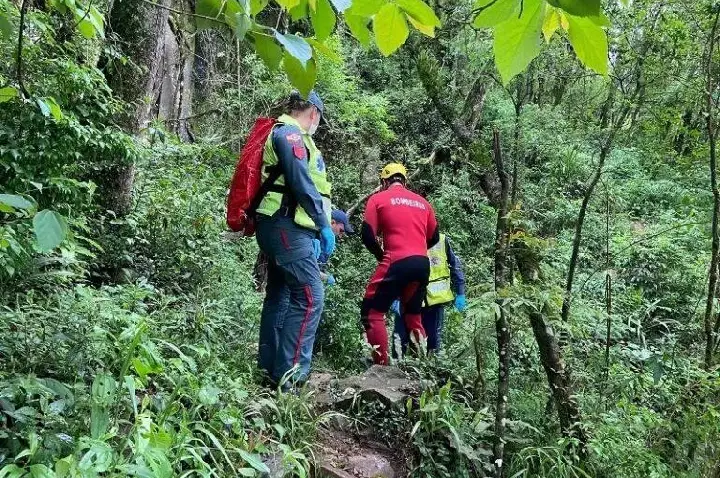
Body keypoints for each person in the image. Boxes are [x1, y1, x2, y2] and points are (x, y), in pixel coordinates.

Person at [255, 90, 335, 389]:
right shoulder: (289, 134)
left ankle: (270, 370)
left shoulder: (290, 134)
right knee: (311, 295)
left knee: (282, 294)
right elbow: (300, 181)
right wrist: (323, 224)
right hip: (286, 226)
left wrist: (315, 229)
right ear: (313, 112)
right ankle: (291, 378)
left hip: (285, 226)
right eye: (319, 118)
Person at [360, 163, 439, 365]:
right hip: (422, 264)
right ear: (405, 180)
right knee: (413, 315)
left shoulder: (378, 199)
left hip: (395, 259)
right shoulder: (423, 203)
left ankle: (381, 368)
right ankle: (423, 365)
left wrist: (381, 255)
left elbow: (368, 235)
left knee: (372, 312)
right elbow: (434, 237)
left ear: (384, 182)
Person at [391, 233, 466, 357]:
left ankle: (429, 370)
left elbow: (455, 266)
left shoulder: (441, 240)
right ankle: (394, 371)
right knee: (400, 340)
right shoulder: (404, 239)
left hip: (434, 303)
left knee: (432, 342)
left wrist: (460, 292)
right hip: (408, 302)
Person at [315, 209, 355, 285]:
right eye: (341, 230)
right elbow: (307, 267)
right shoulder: (320, 236)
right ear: (332, 222)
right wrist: (326, 277)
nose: (341, 236)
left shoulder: (324, 236)